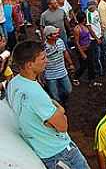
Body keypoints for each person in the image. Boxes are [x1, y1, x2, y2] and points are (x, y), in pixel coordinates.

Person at [6, 40, 90, 169]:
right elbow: (63, 126)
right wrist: (60, 110)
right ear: (29, 65)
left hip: (42, 149)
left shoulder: (14, 83)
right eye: (42, 58)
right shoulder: (35, 93)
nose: (47, 61)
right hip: (60, 152)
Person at [43, 25, 75, 106]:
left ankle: (63, 101)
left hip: (62, 71)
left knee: (68, 90)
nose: (57, 34)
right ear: (49, 36)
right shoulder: (44, 48)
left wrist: (70, 63)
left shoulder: (60, 41)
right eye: (54, 34)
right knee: (55, 96)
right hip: (50, 74)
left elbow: (65, 52)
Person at [73, 12, 100, 87]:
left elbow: (91, 32)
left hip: (89, 47)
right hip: (82, 49)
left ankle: (91, 81)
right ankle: (76, 77)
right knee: (83, 66)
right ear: (84, 19)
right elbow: (76, 43)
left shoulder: (86, 26)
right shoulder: (77, 29)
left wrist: (97, 39)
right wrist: (82, 53)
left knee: (91, 64)